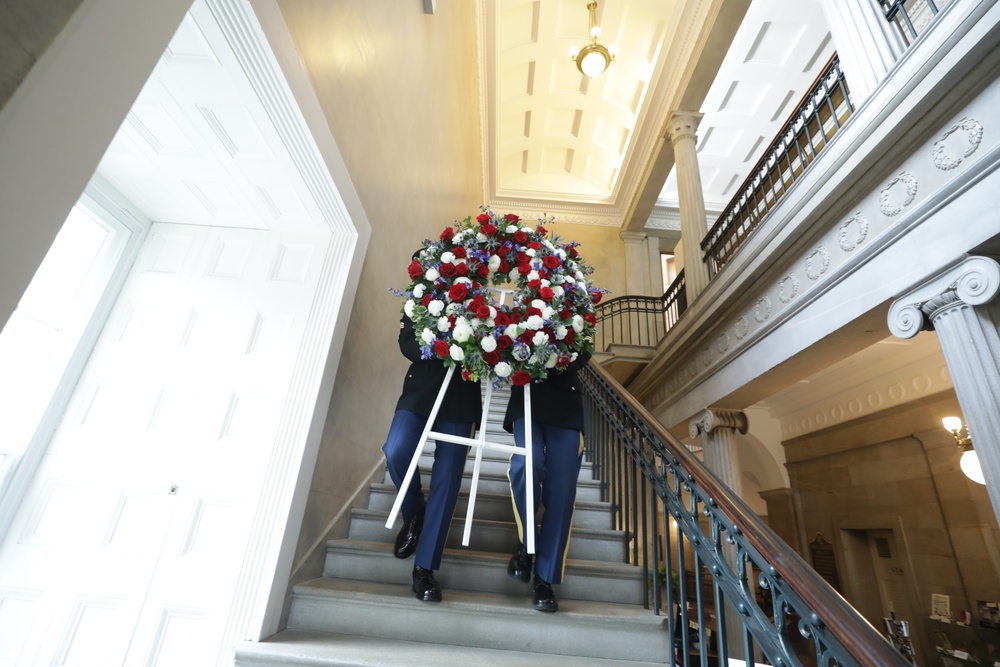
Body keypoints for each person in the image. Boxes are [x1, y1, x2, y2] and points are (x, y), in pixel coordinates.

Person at [382, 315, 481, 602]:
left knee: (447, 483)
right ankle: (415, 514)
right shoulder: (424, 292)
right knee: (396, 449)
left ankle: (424, 568)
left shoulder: (481, 306)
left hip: (462, 397)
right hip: (420, 391)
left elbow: (489, 354)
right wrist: (443, 345)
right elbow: (407, 343)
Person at [504, 351, 591, 612]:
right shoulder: (518, 307)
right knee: (525, 464)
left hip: (566, 402)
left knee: (562, 491)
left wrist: (552, 360)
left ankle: (544, 579)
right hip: (527, 396)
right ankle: (526, 540)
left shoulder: (577, 308)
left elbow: (583, 349)